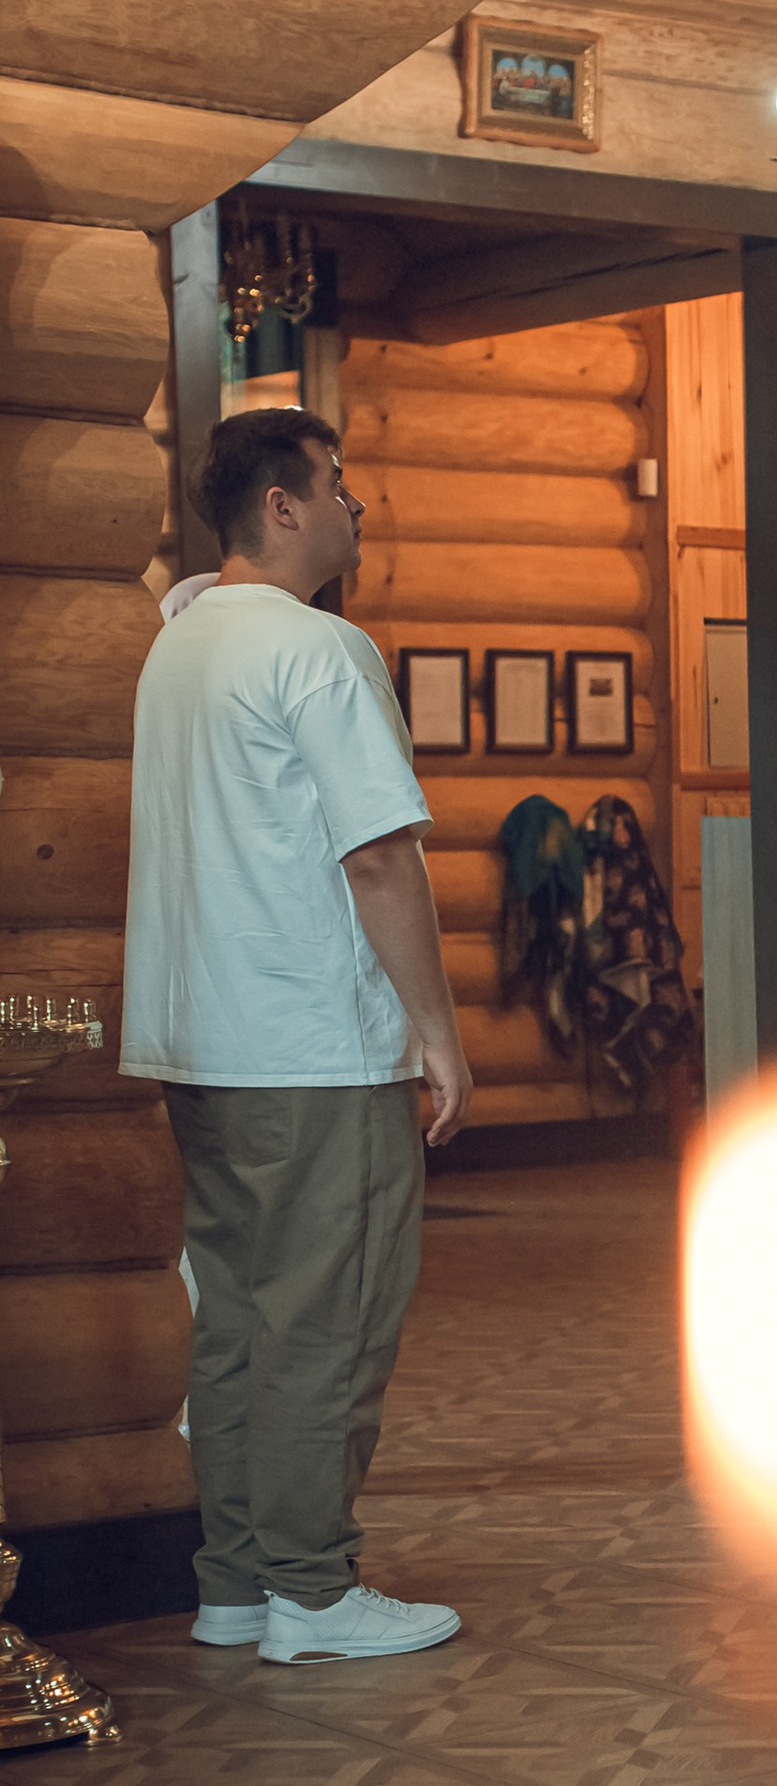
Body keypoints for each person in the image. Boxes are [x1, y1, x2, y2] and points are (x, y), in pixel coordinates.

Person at [122, 405, 469, 1664]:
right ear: (282, 505)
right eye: (341, 486)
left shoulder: (181, 645)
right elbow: (378, 856)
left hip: (199, 1038)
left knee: (236, 1317)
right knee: (330, 1315)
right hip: (313, 1042)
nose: (354, 508)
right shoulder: (319, 649)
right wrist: (436, 1032)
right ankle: (314, 1594)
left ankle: (236, 1585)